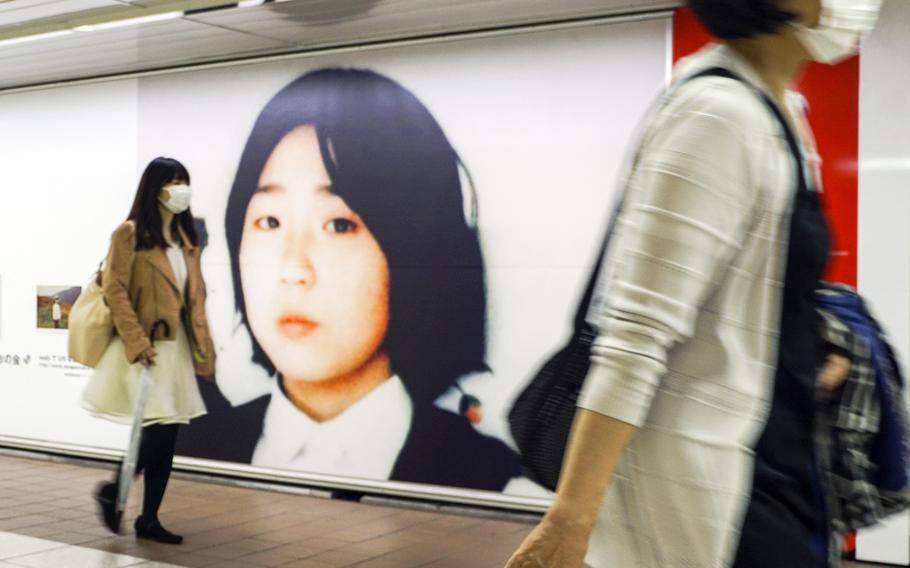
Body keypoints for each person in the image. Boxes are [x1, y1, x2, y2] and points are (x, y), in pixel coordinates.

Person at [505, 1, 880, 567]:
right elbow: (634, 334)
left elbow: (758, 299)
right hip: (711, 480)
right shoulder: (718, 115)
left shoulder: (782, 110)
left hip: (778, 453)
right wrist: (570, 520)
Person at [176, 68, 522, 490]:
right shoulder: (197, 452)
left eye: (339, 225)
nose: (293, 270)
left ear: (416, 246)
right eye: (270, 221)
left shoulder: (491, 483)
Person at [82, 157, 216, 545]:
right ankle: (113, 489)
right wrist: (137, 340)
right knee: (156, 434)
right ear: (155, 189)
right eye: (174, 183)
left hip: (176, 350)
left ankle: (148, 517)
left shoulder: (186, 240)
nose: (181, 190)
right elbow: (115, 290)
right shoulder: (129, 234)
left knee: (167, 437)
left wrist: (204, 347)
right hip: (145, 347)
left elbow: (196, 300)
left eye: (184, 182)